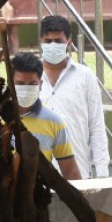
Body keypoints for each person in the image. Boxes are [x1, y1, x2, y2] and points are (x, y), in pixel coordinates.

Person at [38, 15, 111, 179]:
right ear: (41, 41)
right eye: (48, 41)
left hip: (78, 173)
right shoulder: (28, 79)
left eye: (58, 41)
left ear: (68, 42)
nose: (53, 45)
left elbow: (96, 125)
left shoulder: (84, 77)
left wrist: (102, 171)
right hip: (37, 176)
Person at [11, 53, 82, 181]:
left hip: (38, 198)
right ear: (10, 83)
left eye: (32, 84)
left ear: (41, 84)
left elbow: (70, 171)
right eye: (20, 83)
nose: (26, 89)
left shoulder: (54, 122)